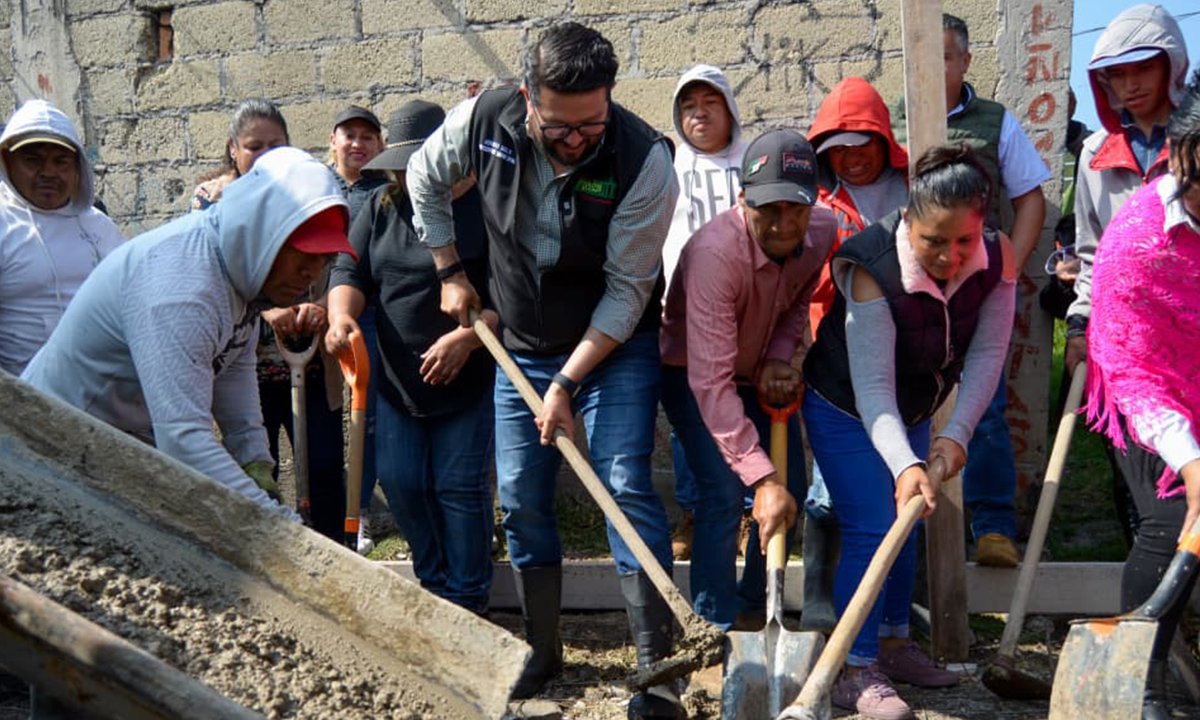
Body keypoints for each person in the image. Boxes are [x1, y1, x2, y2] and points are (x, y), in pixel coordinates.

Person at [407, 22, 682, 718]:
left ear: (609, 101)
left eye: (591, 123)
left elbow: (628, 292)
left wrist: (566, 384)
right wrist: (449, 268)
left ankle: (659, 669)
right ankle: (544, 651)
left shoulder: (644, 160)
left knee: (622, 482)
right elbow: (422, 177)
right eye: (559, 125)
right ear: (529, 96)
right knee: (522, 498)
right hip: (521, 345)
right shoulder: (484, 119)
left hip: (611, 347)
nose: (575, 139)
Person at [22, 146, 353, 518]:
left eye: (325, 257)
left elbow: (232, 369)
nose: (313, 272)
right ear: (262, 234)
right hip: (47, 447)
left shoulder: (242, 279)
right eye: (303, 252)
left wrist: (255, 460)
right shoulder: (182, 289)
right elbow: (183, 440)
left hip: (113, 445)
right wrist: (276, 525)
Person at [803, 145, 1016, 720]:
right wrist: (906, 464)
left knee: (910, 522)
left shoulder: (998, 257)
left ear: (983, 226)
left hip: (919, 405)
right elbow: (873, 391)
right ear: (908, 222)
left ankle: (894, 645)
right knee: (875, 524)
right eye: (933, 242)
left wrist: (957, 435)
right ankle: (853, 668)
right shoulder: (870, 266)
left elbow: (990, 352)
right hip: (845, 405)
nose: (950, 256)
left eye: (963, 241)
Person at [326, 100, 497, 614]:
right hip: (398, 383)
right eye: (398, 167)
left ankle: (469, 600)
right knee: (401, 483)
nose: (405, 176)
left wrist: (467, 338)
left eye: (414, 165)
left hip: (469, 382)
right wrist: (342, 317)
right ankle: (435, 582)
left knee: (457, 489)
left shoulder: (486, 208)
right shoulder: (380, 207)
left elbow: (518, 298)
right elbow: (348, 273)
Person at [660, 129, 835, 629]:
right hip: (692, 375)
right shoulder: (715, 255)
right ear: (743, 200)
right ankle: (712, 626)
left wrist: (780, 357)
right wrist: (760, 478)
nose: (784, 225)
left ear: (813, 203)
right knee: (720, 491)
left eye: (795, 210)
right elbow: (711, 383)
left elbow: (798, 297)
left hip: (754, 369)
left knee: (791, 487)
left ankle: (756, 611)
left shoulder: (820, 232)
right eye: (769, 210)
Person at [1083, 73, 1200, 720]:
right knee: (1170, 520)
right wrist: (1191, 461)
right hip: (1143, 402)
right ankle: (1141, 685)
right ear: (1182, 156)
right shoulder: (1138, 237)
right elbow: (1132, 370)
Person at [191, 101, 347, 543]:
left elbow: (332, 262)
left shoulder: (309, 191)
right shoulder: (212, 200)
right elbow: (213, 274)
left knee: (322, 466)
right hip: (249, 366)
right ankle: (264, 549)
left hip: (309, 358)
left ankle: (337, 551)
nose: (263, 156)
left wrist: (323, 307)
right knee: (258, 461)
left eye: (274, 145)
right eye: (253, 147)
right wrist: (268, 308)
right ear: (233, 150)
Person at [802, 76, 910, 631]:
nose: (850, 158)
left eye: (861, 144)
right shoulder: (819, 203)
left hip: (909, 359)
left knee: (899, 481)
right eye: (836, 149)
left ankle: (889, 609)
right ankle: (820, 592)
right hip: (839, 361)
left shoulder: (916, 186)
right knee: (830, 484)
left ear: (884, 140)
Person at [943, 13, 1050, 567]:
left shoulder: (994, 121)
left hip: (978, 284)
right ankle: (923, 532)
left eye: (947, 56)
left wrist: (1011, 263)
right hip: (913, 288)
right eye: (927, 55)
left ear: (965, 61)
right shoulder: (901, 119)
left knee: (982, 403)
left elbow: (1030, 196)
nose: (937, 67)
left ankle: (992, 527)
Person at [1065, 4, 1189, 376]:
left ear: (1173, 64)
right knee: (1135, 431)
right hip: (1129, 329)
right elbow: (1093, 254)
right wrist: (1079, 323)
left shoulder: (1195, 144)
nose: (1130, 85)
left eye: (1144, 68)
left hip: (1190, 320)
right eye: (1117, 74)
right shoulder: (1094, 154)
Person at [662, 64, 752, 562]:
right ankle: (694, 510)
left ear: (729, 110)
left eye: (709, 104)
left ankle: (741, 509)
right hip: (685, 314)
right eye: (688, 108)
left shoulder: (752, 161)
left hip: (744, 311)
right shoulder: (670, 166)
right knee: (691, 420)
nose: (698, 115)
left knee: (740, 409)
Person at [0, 99, 124, 376]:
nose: (48, 172)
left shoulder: (99, 227)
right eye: (33, 160)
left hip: (98, 391)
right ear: (7, 161)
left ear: (77, 167)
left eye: (61, 161)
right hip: (23, 399)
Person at [328, 105, 389, 554]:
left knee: (373, 417)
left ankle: (366, 509)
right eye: (349, 135)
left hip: (378, 315)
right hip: (324, 314)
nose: (357, 144)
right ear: (333, 141)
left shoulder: (385, 192)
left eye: (367, 137)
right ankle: (349, 510)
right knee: (346, 419)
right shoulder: (317, 189)